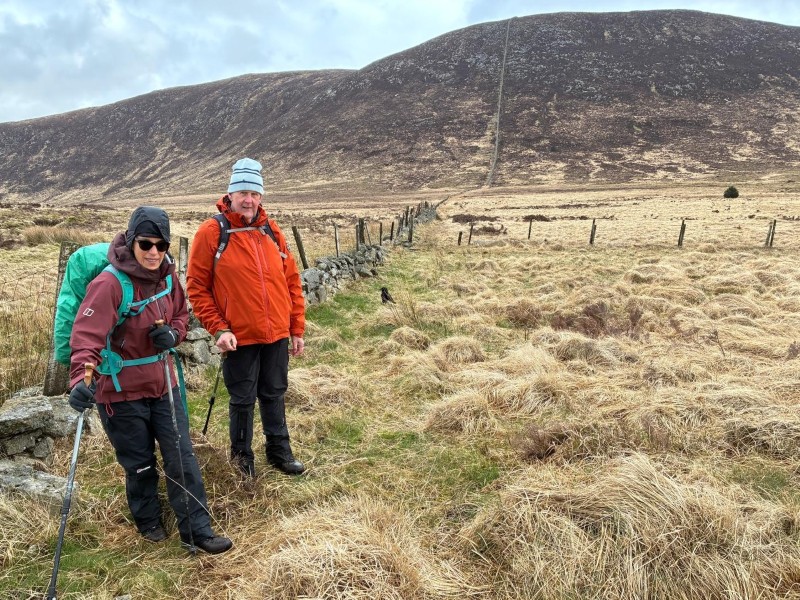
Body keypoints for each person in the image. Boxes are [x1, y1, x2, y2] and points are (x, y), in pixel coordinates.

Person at [67, 206, 232, 555]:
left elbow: (181, 315)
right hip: (121, 393)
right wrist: (79, 378)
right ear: (131, 241)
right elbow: (86, 335)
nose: (154, 252)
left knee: (181, 456)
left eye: (161, 244)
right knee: (139, 463)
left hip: (163, 384)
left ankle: (197, 531)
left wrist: (173, 334)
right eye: (146, 244)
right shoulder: (110, 284)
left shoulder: (169, 278)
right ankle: (148, 521)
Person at [186, 158, 306, 477]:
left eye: (254, 193)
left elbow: (291, 279)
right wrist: (218, 328)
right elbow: (197, 286)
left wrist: (296, 328)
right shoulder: (213, 231)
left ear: (261, 197)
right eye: (242, 192)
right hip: (238, 337)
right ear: (231, 195)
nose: (248, 200)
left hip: (277, 332)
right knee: (242, 399)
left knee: (274, 392)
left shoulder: (271, 229)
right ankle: (242, 461)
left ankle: (279, 451)